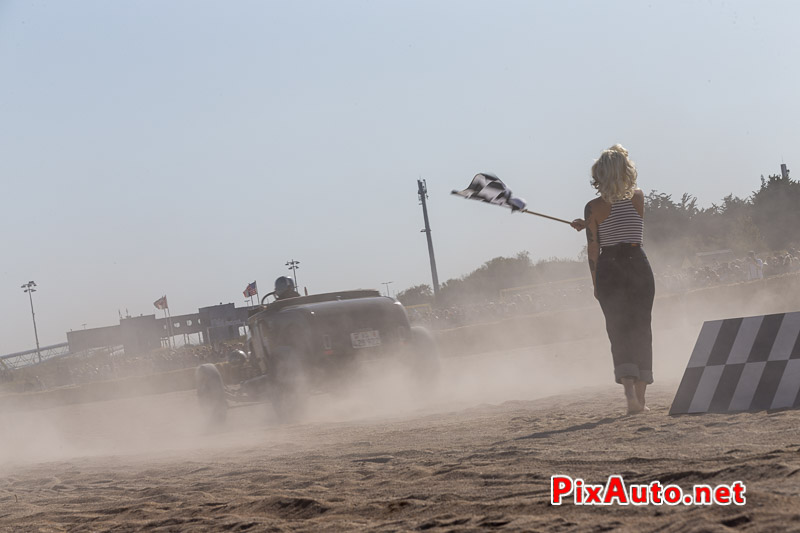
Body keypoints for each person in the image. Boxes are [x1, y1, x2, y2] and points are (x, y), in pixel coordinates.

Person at [570, 144, 655, 414]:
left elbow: (594, 249)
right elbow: (626, 222)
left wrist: (596, 283)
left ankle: (629, 396)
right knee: (642, 328)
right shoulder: (639, 197)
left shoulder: (592, 207)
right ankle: (641, 400)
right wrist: (591, 222)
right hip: (637, 262)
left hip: (609, 267)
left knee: (618, 331)